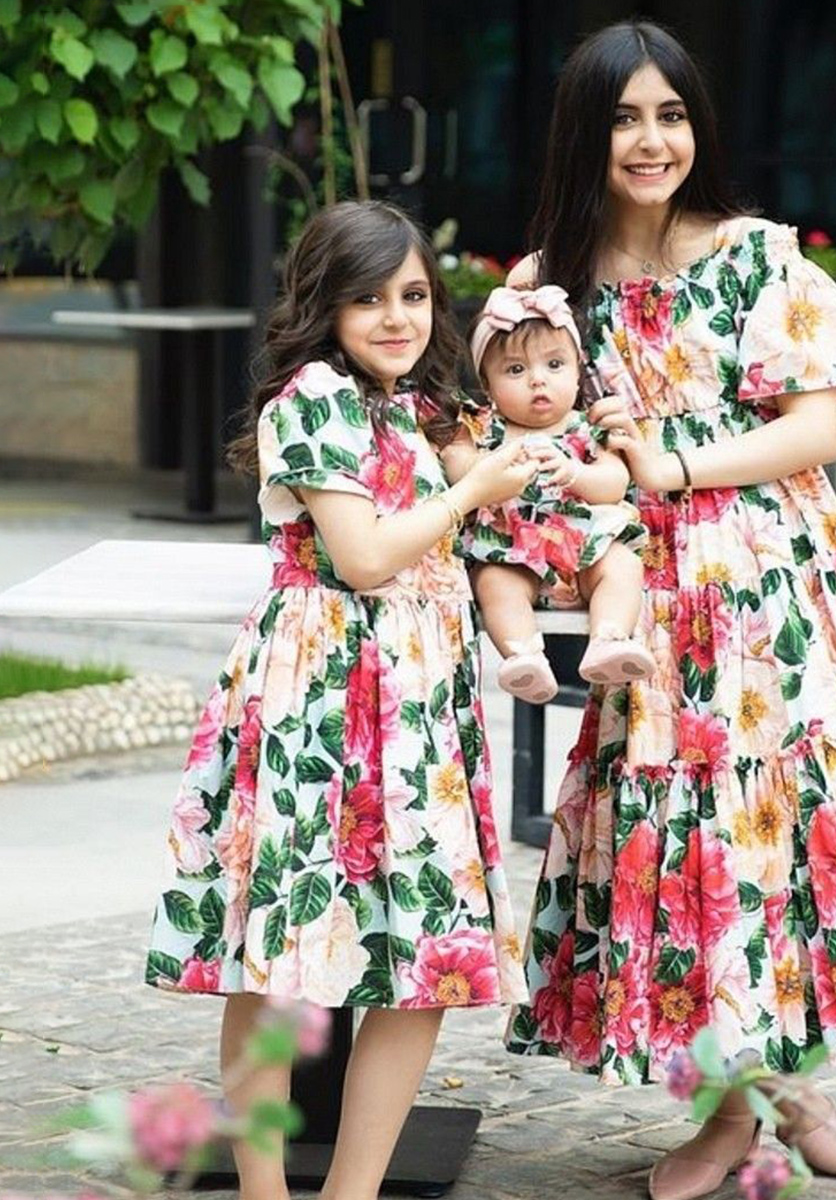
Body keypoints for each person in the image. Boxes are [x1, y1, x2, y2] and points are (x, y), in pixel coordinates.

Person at [502, 22, 836, 1200]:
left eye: (670, 114)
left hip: (770, 584)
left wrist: (670, 465)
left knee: (772, 833)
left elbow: (818, 429)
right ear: (583, 134)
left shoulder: (756, 258)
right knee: (690, 840)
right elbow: (519, 422)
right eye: (624, 118)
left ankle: (736, 1118)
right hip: (641, 596)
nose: (651, 140)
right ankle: (775, 1100)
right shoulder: (546, 286)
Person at [144, 200, 535, 1200]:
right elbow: (361, 558)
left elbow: (527, 471)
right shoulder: (312, 397)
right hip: (318, 700)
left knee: (429, 955)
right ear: (325, 306)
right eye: (369, 299)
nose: (397, 317)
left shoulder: (416, 405)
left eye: (414, 295)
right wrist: (469, 492)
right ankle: (266, 1192)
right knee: (283, 956)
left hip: (417, 701)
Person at [443, 283, 650, 703]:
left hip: (584, 552)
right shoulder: (485, 430)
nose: (538, 379)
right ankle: (523, 654)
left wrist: (575, 473)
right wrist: (486, 463)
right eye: (515, 370)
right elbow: (457, 466)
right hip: (512, 553)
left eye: (554, 364)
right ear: (488, 384)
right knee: (493, 581)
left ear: (577, 373)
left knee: (623, 564)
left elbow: (614, 482)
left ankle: (609, 637)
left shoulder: (586, 428)